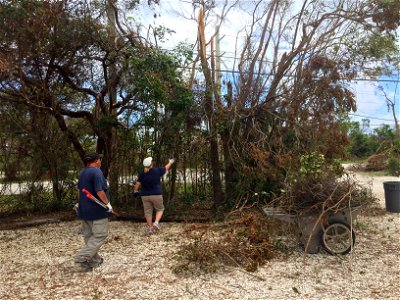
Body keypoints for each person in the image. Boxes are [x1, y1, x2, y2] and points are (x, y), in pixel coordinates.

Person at [74, 152, 113, 271]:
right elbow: (100, 191)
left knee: (89, 236)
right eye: (100, 159)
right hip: (97, 210)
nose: (100, 161)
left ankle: (94, 260)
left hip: (84, 210)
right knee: (100, 235)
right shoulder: (97, 172)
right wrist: (108, 205)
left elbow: (80, 191)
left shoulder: (82, 173)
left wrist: (79, 204)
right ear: (96, 161)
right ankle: (82, 257)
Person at [133, 157, 175, 235]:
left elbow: (138, 183)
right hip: (156, 194)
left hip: (145, 195)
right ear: (151, 164)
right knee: (160, 209)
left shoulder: (142, 173)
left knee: (148, 212)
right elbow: (166, 167)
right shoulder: (157, 171)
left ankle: (150, 229)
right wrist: (170, 162)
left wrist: (135, 191)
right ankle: (156, 223)